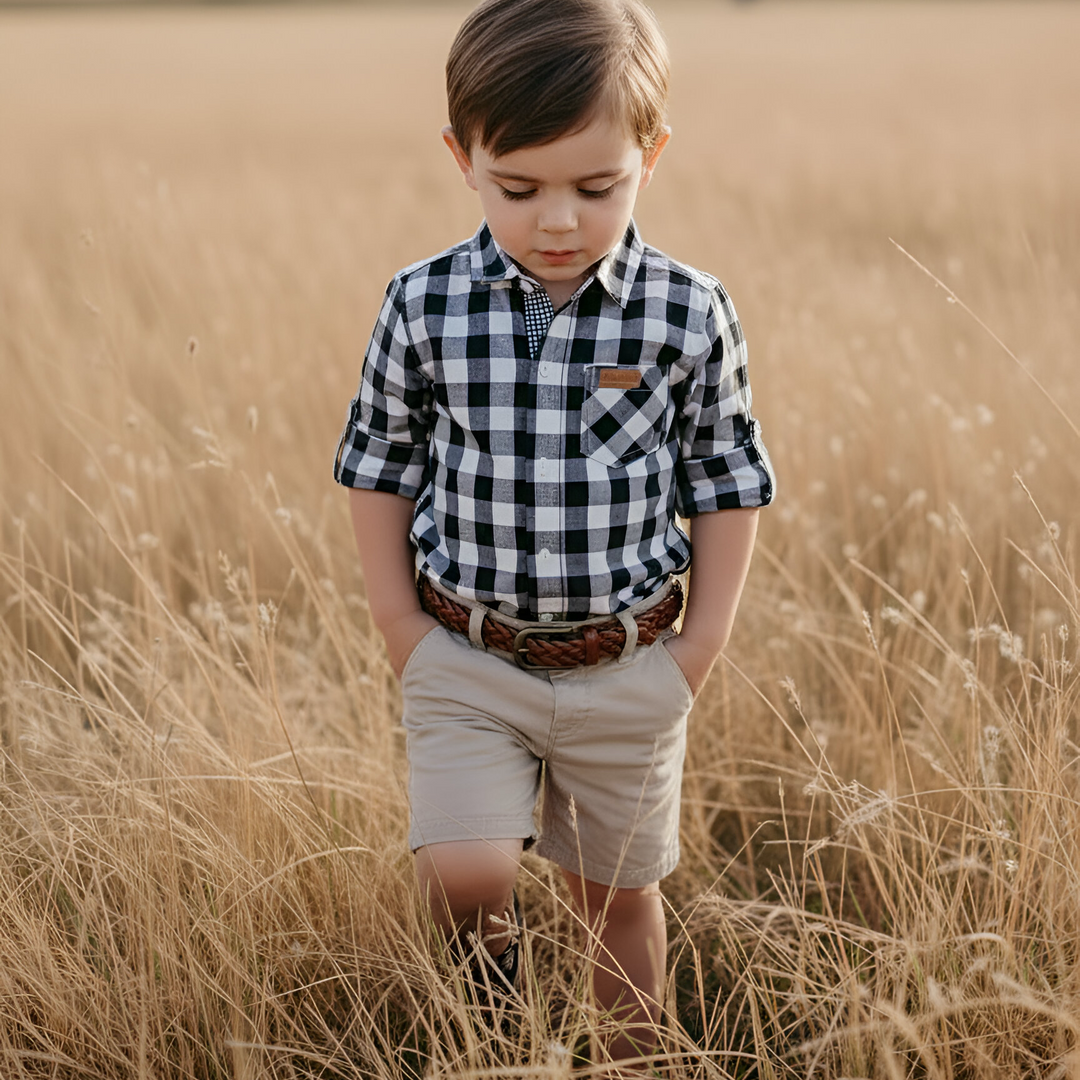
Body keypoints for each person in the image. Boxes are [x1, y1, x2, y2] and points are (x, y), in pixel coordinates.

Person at [335, 0, 774, 1065]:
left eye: (598, 185)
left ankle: (634, 1058)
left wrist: (699, 648)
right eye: (519, 188)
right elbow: (379, 465)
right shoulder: (423, 303)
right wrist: (402, 626)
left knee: (614, 900)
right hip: (468, 655)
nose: (560, 220)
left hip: (630, 667)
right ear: (464, 158)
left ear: (651, 156)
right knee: (465, 873)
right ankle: (499, 1045)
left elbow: (726, 481)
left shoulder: (687, 312)